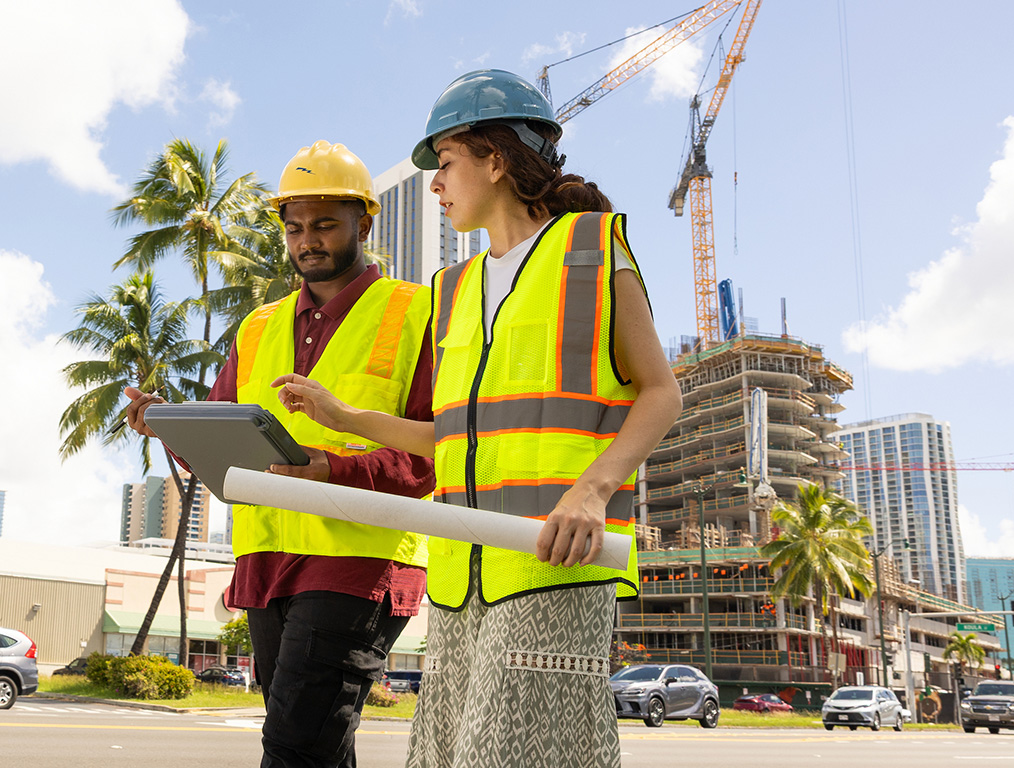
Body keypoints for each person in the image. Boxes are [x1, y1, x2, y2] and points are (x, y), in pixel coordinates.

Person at [275, 70, 682, 768]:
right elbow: (453, 438)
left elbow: (660, 392)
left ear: (496, 158)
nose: (435, 182)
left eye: (447, 162)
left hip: (555, 564)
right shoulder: (454, 287)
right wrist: (345, 416)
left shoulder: (589, 248)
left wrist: (593, 489)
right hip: (462, 579)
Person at [123, 140, 435, 768]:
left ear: (363, 223)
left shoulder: (416, 310)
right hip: (266, 561)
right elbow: (220, 446)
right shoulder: (257, 326)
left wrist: (330, 468)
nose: (307, 241)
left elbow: (435, 456)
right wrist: (168, 426)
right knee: (317, 742)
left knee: (293, 743)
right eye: (295, 227)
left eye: (324, 224)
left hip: (357, 560)